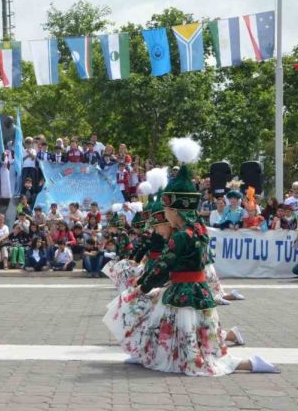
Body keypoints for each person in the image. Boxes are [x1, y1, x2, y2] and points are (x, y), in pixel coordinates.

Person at [112, 138, 278, 376]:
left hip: (184, 291)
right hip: (195, 290)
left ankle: (248, 364)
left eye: (167, 211)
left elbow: (164, 265)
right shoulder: (196, 229)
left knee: (191, 350)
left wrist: (144, 285)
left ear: (175, 210)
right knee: (174, 330)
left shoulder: (181, 237)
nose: (165, 217)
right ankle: (148, 355)